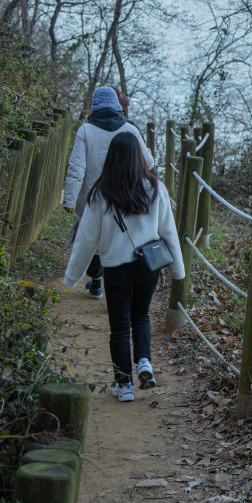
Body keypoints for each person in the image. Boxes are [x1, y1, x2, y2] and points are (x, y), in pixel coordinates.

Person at [62, 132, 185, 402]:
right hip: (148, 266)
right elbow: (169, 232)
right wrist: (178, 270)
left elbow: (86, 240)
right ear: (140, 156)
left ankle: (124, 385)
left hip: (116, 268)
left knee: (119, 327)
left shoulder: (101, 193)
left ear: (112, 157)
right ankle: (144, 362)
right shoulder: (156, 188)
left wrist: (72, 276)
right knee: (141, 315)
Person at [63, 86, 153, 299]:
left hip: (92, 198)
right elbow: (148, 163)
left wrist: (69, 200)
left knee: (92, 239)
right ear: (116, 105)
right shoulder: (130, 129)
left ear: (95, 106)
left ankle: (96, 281)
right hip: (124, 196)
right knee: (120, 239)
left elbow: (77, 168)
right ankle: (118, 288)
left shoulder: (85, 130)